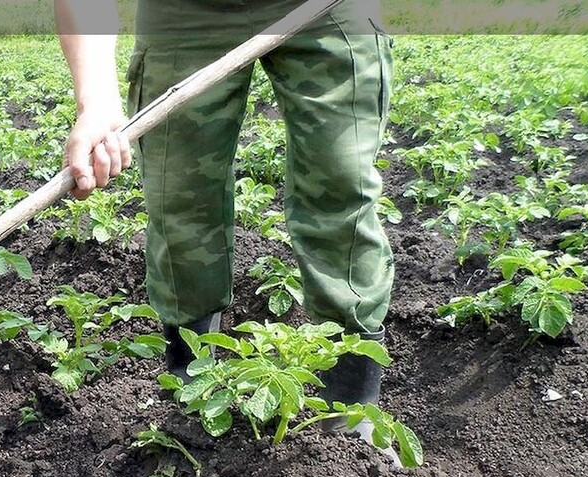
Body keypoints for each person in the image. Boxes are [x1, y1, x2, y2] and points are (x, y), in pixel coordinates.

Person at [53, 0, 396, 431]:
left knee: (340, 183)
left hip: (325, 10)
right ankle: (191, 383)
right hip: (187, 12)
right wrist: (97, 101)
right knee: (179, 196)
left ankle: (351, 404)